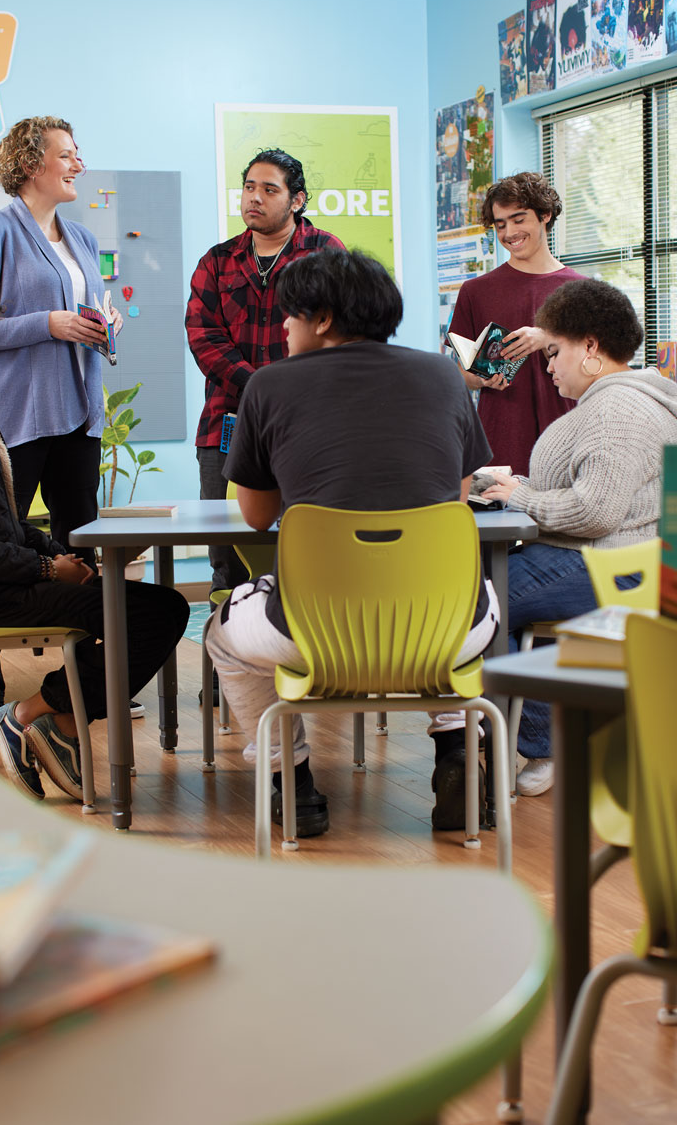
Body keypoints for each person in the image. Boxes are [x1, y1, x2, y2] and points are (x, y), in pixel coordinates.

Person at [206, 249, 500, 837]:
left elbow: (257, 515)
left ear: (319, 319)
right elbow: (457, 499)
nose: (284, 328)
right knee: (464, 597)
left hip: (313, 629)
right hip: (443, 626)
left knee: (223, 639)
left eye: (290, 316)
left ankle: (291, 781)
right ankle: (457, 753)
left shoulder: (269, 385)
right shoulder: (443, 374)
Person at [0, 268, 188, 803]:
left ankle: (51, 722)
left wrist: (58, 553)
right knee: (154, 613)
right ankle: (36, 716)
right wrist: (49, 569)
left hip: (0, 581)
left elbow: (2, 522)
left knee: (153, 608)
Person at [0, 115, 125, 734]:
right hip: (15, 420)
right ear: (33, 164)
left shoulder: (80, 237)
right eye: (68, 154)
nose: (78, 163)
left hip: (79, 416)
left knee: (84, 548)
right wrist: (47, 325)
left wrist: (106, 325)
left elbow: (96, 309)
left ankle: (87, 685)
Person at [482, 278, 677, 796]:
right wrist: (519, 486)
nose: (547, 366)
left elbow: (595, 510)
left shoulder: (616, 411)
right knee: (500, 600)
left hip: (601, 561)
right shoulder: (617, 401)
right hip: (605, 558)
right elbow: (587, 489)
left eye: (554, 352)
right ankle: (533, 741)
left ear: (590, 347)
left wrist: (516, 498)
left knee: (478, 602)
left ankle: (491, 742)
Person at [185, 147, 345, 599]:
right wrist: (260, 386)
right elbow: (202, 335)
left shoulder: (324, 252)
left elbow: (341, 329)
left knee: (305, 554)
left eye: (269, 189)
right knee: (228, 563)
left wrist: (284, 390)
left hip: (308, 424)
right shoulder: (216, 261)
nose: (254, 198)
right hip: (226, 423)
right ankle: (229, 670)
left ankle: (300, 663)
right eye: (249, 187)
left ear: (297, 200)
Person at [450, 171, 585, 475]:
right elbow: (461, 372)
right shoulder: (475, 292)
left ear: (545, 215)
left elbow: (598, 365)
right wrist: (481, 379)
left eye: (518, 219)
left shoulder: (581, 291)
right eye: (500, 224)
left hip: (567, 435)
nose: (509, 232)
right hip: (500, 437)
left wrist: (547, 338)